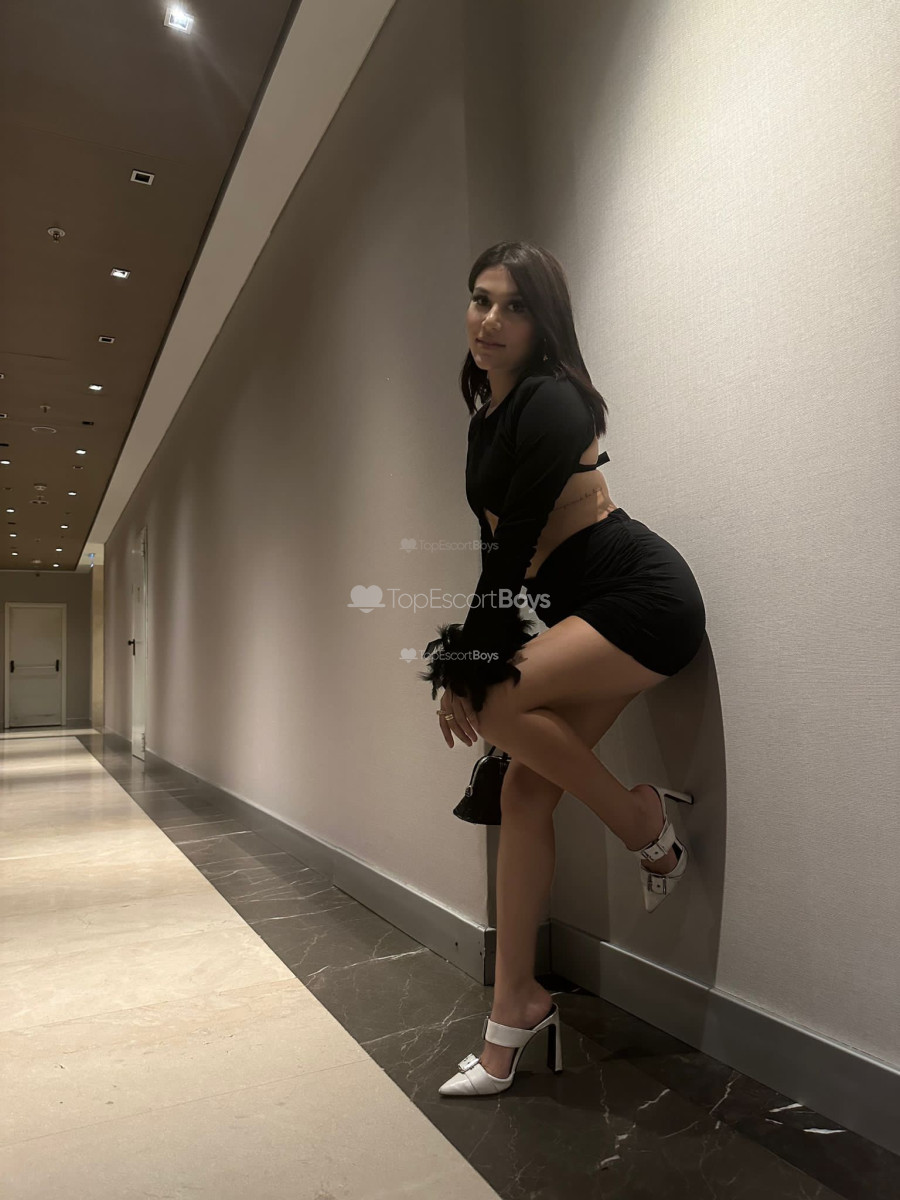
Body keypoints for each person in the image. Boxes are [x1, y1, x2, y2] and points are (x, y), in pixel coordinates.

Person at [419, 241, 706, 1098]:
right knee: (521, 793)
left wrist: (467, 664)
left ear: (545, 323)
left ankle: (644, 825)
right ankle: (516, 1008)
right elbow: (494, 551)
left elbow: (513, 551)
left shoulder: (555, 402)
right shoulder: (488, 416)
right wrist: (466, 658)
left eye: (514, 306)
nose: (491, 320)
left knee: (496, 703)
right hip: (588, 614)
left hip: (644, 599)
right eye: (481, 299)